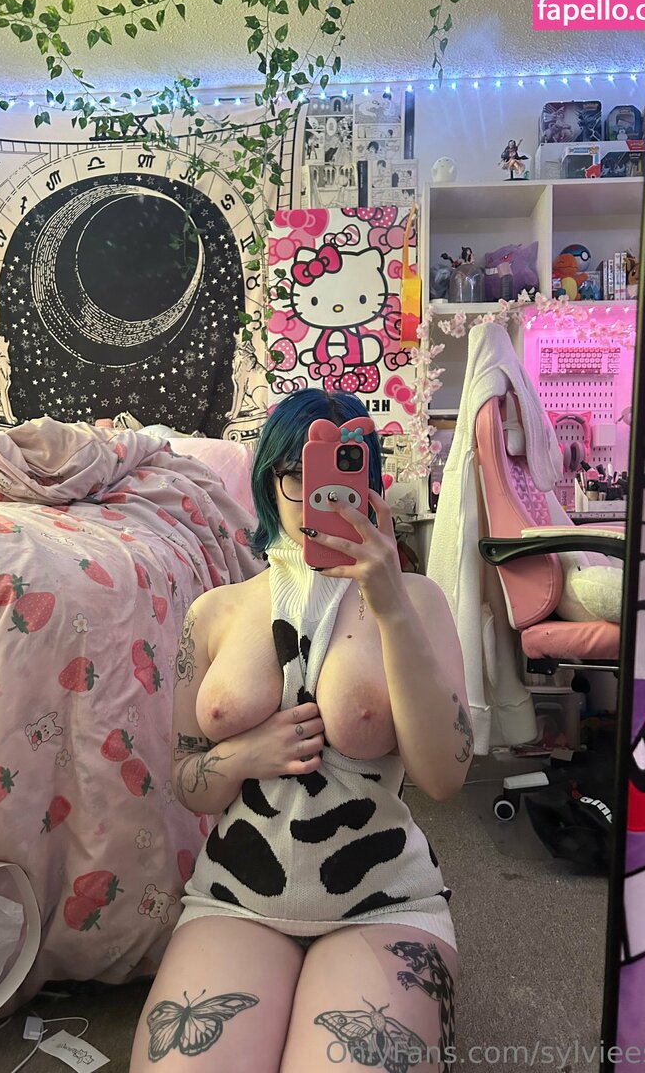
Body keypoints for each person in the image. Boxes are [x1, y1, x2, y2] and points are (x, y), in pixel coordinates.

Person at [129, 388, 473, 1073]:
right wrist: (243, 755)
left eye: (345, 467)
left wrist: (390, 606)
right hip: (235, 899)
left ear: (369, 478)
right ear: (269, 481)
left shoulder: (420, 601)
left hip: (386, 902)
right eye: (297, 472)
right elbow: (189, 784)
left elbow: (444, 778)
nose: (316, 492)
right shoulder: (215, 612)